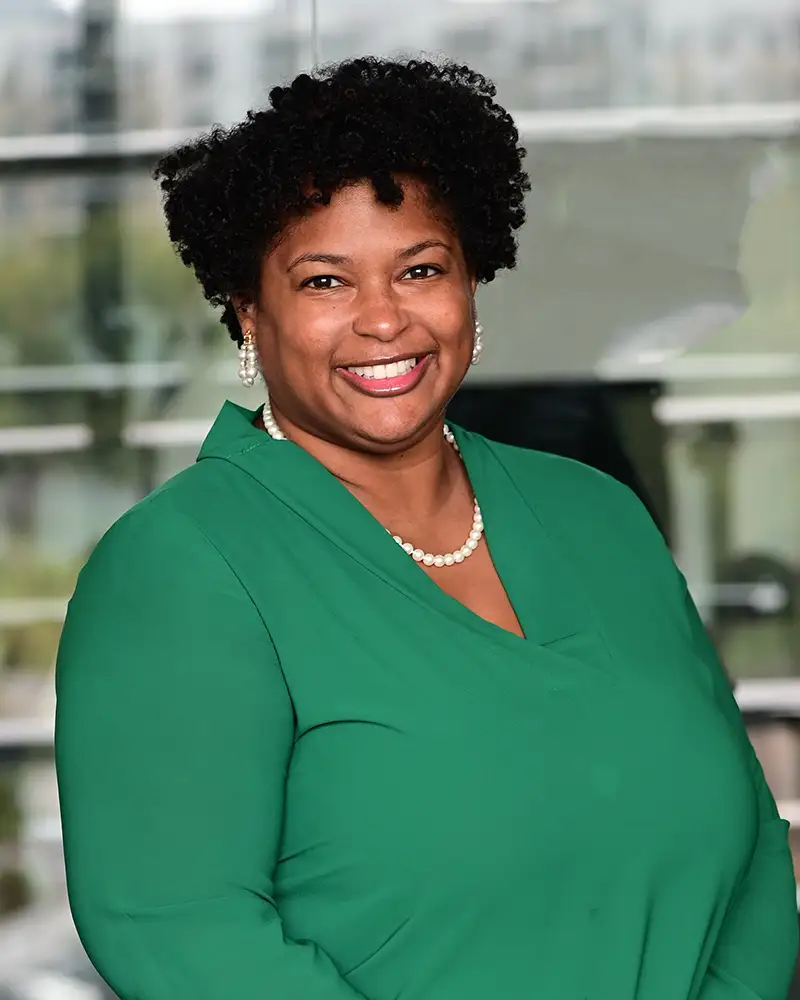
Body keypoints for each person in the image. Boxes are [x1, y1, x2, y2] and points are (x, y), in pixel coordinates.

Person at [55, 58, 798, 1000]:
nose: (382, 319)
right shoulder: (181, 566)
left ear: (471, 285)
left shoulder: (596, 512)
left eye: (419, 269)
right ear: (249, 314)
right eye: (325, 282)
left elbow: (751, 856)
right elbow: (180, 930)